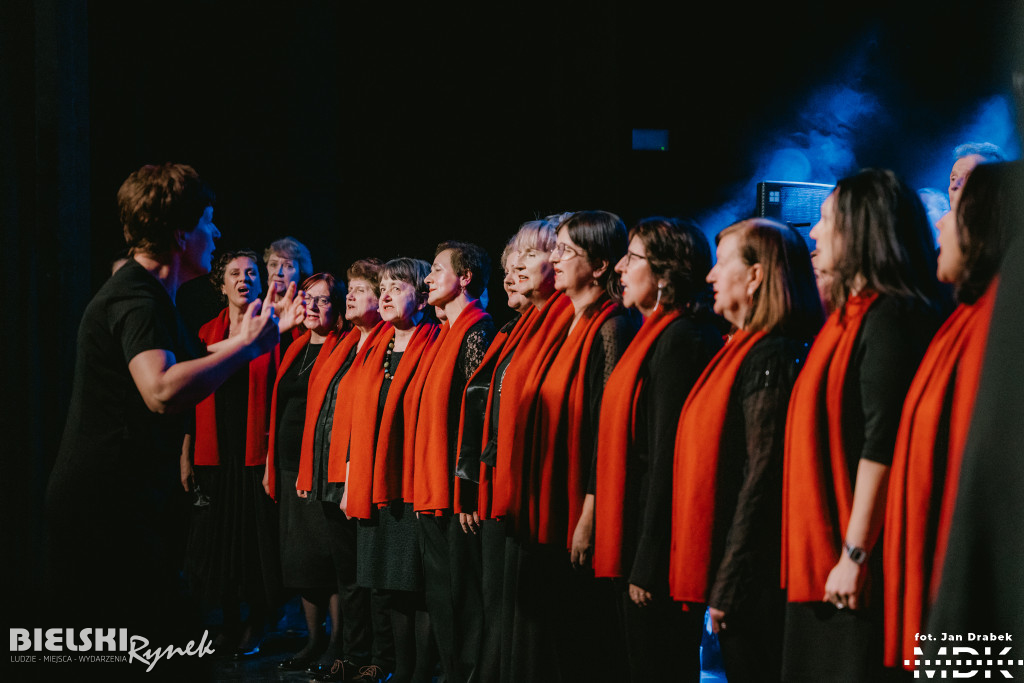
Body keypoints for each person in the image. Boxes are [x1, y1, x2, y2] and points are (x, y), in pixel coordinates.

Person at [45, 163, 285, 643]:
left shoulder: (150, 296)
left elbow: (194, 359)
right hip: (105, 512)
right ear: (180, 234)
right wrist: (248, 348)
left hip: (122, 504)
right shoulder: (136, 298)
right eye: (207, 221)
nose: (216, 232)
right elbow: (162, 390)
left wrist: (256, 337)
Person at [780, 168, 948, 682]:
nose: (812, 232)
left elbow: (882, 442)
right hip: (825, 556)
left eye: (826, 220)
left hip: (856, 564)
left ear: (860, 230)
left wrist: (854, 553)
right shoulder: (847, 316)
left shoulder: (892, 316)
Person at [670, 218, 823, 682]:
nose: (710, 276)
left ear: (756, 276)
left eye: (721, 264)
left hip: (754, 581)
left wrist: (731, 582)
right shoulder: (742, 349)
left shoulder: (769, 354)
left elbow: (761, 477)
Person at [884, 161, 1021, 672]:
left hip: (982, 594)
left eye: (957, 213)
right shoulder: (965, 321)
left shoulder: (1000, 328)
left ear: (986, 226)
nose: (939, 223)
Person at [594, 217, 724, 682]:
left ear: (666, 274)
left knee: (657, 663)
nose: (621, 270)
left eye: (632, 259)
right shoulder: (654, 334)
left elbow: (668, 458)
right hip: (638, 535)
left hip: (655, 549)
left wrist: (649, 562)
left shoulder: (681, 339)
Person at [183, 249, 290, 657]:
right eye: (234, 273)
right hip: (216, 451)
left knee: (253, 542)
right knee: (219, 540)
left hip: (255, 453)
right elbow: (191, 395)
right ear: (221, 283)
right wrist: (186, 451)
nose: (243, 278)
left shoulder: (272, 328)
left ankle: (258, 621)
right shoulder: (207, 331)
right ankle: (228, 621)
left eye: (250, 272)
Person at [340, 258, 442, 683]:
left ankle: (421, 672)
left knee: (415, 587)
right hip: (375, 481)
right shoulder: (375, 349)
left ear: (421, 296)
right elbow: (356, 422)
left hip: (411, 482)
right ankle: (399, 668)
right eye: (382, 286)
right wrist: (351, 481)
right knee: (388, 584)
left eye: (397, 287)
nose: (384, 294)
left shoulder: (434, 343)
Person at [292, 259, 388, 678]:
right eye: (349, 288)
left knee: (367, 575)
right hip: (332, 476)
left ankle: (373, 658)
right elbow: (324, 411)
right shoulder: (347, 343)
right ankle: (351, 655)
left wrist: (351, 473)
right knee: (347, 575)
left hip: (359, 478)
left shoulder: (382, 342)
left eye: (360, 289)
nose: (350, 295)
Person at [263, 272, 358, 673]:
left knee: (325, 559)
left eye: (323, 300)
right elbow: (277, 408)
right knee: (299, 560)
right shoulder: (296, 346)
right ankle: (312, 640)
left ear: (336, 309)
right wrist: (270, 466)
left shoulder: (343, 348)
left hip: (318, 469)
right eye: (308, 299)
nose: (314, 307)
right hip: (286, 467)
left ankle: (337, 645)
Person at [451, 233, 534, 683]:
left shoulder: (500, 332)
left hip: (513, 490)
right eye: (508, 269)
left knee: (505, 605)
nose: (510, 277)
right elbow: (482, 410)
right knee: (490, 599)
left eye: (523, 266)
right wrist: (469, 485)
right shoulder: (507, 332)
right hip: (487, 483)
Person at [412, 241, 495, 683]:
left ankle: (467, 674)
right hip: (434, 479)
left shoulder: (478, 331)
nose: (427, 278)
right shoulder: (448, 333)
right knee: (443, 594)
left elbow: (478, 416)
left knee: (460, 595)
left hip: (456, 487)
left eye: (437, 269)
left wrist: (468, 489)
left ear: (464, 277)